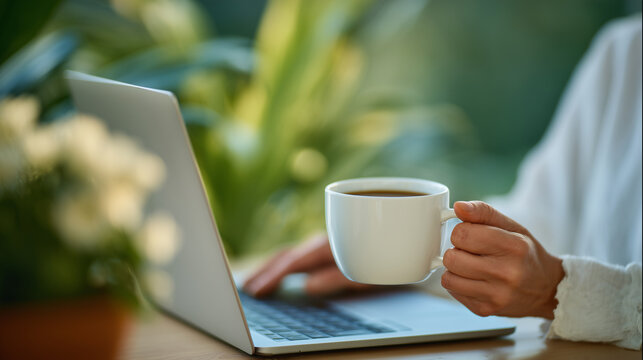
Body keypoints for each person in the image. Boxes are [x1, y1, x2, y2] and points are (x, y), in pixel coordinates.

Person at [243, 16, 642, 350]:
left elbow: (554, 274)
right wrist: (393, 251)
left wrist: (559, 292)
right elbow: (546, 220)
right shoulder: (624, 52)